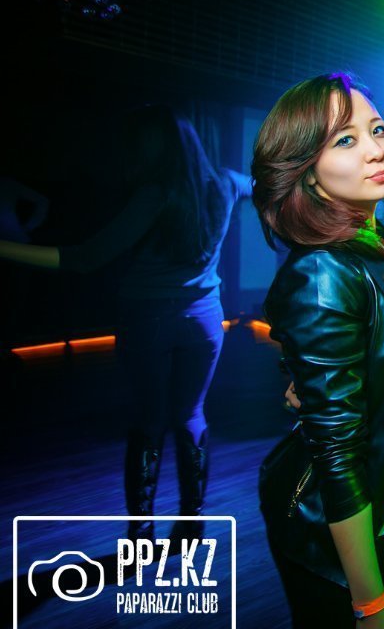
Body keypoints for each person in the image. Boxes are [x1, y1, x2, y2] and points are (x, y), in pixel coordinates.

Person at [253, 71, 384, 629]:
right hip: (337, 532)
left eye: (378, 130)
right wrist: (369, 603)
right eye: (346, 140)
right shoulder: (323, 269)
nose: (376, 150)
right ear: (308, 175)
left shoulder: (377, 241)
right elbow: (338, 452)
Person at [0, 105, 249, 542]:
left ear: (153, 148)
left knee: (149, 421)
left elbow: (85, 258)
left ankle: (142, 533)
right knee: (191, 415)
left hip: (148, 318)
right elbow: (261, 183)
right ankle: (192, 524)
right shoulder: (226, 183)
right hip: (205, 319)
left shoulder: (155, 194)